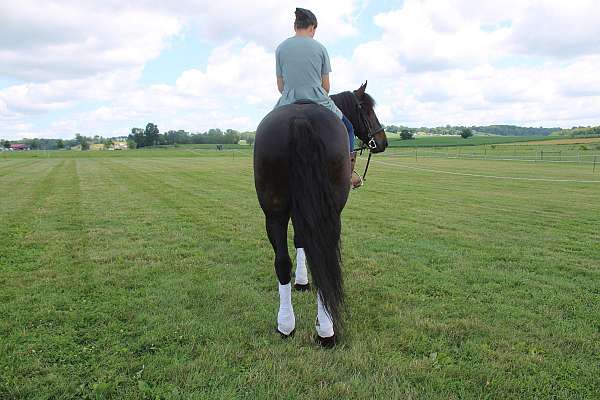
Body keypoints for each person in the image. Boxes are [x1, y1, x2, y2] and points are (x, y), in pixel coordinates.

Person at [274, 8, 363, 189]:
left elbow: (280, 87)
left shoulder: (280, 48)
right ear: (313, 27)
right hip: (319, 100)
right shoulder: (320, 48)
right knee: (348, 128)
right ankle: (349, 173)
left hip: (287, 101)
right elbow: (326, 87)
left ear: (295, 26)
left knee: (268, 129)